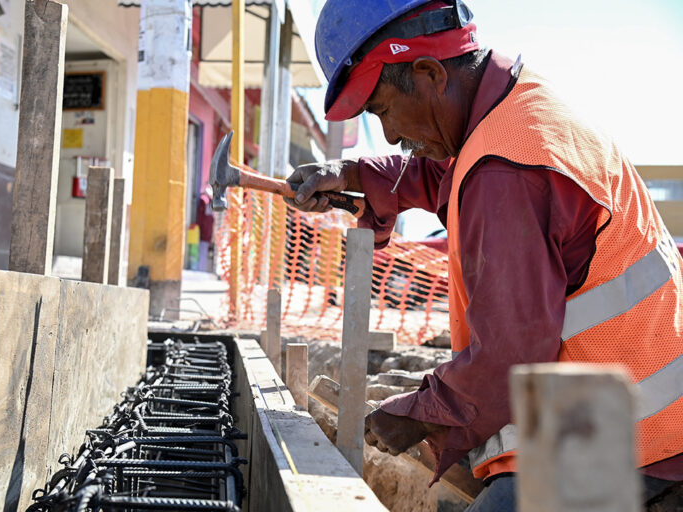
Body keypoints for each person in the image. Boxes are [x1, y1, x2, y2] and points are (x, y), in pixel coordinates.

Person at [286, 1, 683, 509]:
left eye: (382, 109)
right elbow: (442, 173)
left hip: (633, 434)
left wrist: (419, 413)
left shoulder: (506, 174)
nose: (388, 134)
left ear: (429, 73)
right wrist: (355, 175)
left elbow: (507, 361)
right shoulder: (515, 109)